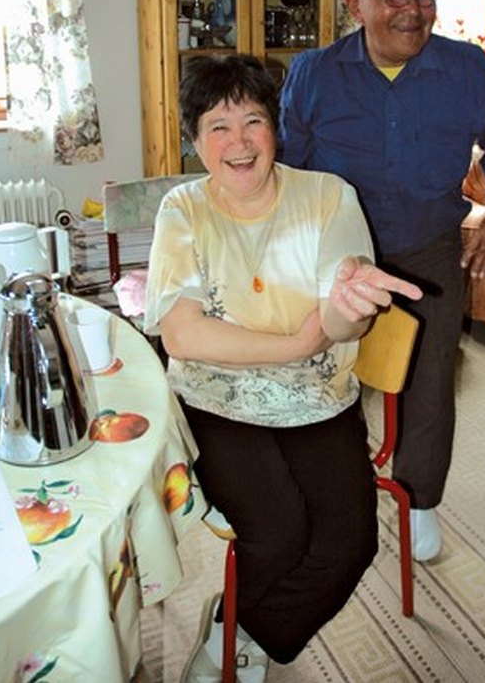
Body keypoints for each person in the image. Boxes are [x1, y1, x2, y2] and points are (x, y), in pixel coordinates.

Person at [144, 53, 422, 682]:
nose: (238, 142)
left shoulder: (327, 197)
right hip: (217, 399)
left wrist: (351, 313)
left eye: (253, 120)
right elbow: (184, 336)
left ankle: (239, 627)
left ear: (277, 129)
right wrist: (296, 343)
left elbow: (342, 317)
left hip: (319, 396)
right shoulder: (182, 210)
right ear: (195, 141)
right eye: (218, 125)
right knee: (276, 533)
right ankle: (239, 636)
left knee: (351, 543)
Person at [279, 0, 485, 562]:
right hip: (338, 258)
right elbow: (288, 168)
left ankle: (420, 499)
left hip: (428, 251)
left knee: (428, 383)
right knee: (320, 373)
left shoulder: (466, 68)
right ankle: (331, 491)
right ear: (356, 4)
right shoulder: (314, 73)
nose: (413, 9)